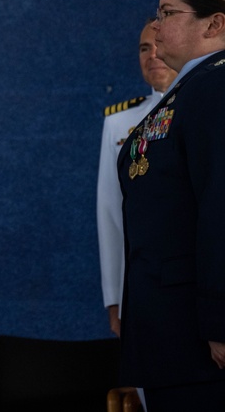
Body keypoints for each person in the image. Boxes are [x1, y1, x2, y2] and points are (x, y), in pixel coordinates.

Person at [117, 0, 225, 411]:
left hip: (201, 340)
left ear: (215, 23)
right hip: (174, 330)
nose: (156, 25)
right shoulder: (193, 88)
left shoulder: (216, 86)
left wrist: (221, 320)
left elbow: (220, 207)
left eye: (168, 12)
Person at [97, 20, 177, 338]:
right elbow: (111, 213)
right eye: (145, 48)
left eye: (158, 45)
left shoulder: (205, 105)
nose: (152, 54)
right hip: (142, 284)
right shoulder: (120, 122)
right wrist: (115, 298)